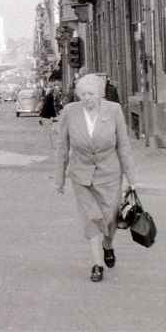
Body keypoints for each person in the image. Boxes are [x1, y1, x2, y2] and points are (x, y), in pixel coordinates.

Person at [55, 74, 137, 282]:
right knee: (91, 218)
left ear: (100, 94)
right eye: (82, 94)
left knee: (109, 219)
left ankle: (107, 245)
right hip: (81, 174)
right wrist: (60, 178)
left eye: (90, 94)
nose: (86, 98)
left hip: (109, 173)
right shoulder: (70, 112)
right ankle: (97, 264)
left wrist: (131, 178)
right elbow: (63, 146)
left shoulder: (114, 110)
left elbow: (124, 146)